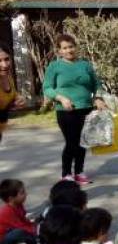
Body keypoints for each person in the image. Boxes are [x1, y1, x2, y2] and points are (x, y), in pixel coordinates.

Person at [43, 34, 106, 184]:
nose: (69, 50)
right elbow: (47, 88)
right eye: (64, 48)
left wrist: (98, 97)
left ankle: (79, 172)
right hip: (66, 111)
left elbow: (97, 84)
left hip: (86, 109)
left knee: (83, 142)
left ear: (75, 47)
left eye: (71, 46)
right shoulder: (54, 66)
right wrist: (61, 98)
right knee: (72, 142)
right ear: (59, 51)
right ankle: (66, 174)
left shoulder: (85, 65)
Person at [0, 179, 37, 244]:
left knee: (27, 230)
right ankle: (35, 241)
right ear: (11, 198)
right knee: (20, 232)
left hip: (13, 230)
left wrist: (33, 225)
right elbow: (20, 226)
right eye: (22, 193)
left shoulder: (19, 205)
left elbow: (24, 220)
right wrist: (35, 230)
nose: (26, 194)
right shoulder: (7, 211)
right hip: (4, 238)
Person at [0, 43, 26, 144]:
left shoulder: (8, 78)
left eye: (7, 59)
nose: (4, 65)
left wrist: (19, 100)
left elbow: (14, 95)